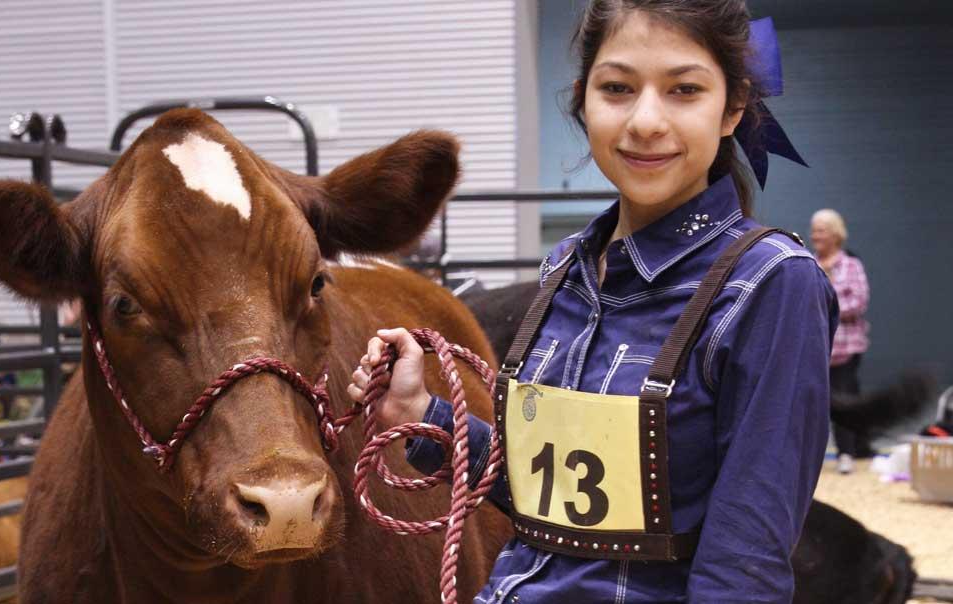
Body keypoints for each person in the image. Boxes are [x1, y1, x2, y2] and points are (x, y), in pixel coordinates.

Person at [348, 2, 838, 602]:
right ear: (584, 100)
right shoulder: (567, 266)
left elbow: (746, 561)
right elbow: (553, 495)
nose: (646, 121)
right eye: (617, 88)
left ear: (732, 106)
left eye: (684, 90)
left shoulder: (772, 286)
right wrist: (421, 412)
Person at [810, 208, 872, 473]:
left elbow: (858, 301)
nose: (815, 235)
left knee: (845, 400)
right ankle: (808, 458)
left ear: (836, 234)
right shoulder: (808, 262)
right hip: (814, 349)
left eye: (821, 230)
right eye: (814, 230)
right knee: (811, 403)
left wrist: (825, 304)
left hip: (846, 349)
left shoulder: (850, 265)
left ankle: (847, 453)